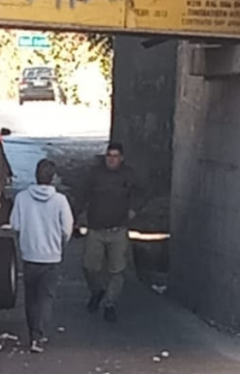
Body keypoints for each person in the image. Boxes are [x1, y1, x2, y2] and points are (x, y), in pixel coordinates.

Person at [9, 159, 74, 353]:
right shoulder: (60, 201)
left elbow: (15, 225)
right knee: (46, 298)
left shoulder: (22, 198)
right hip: (52, 257)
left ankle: (32, 333)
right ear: (53, 178)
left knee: (31, 298)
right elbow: (67, 227)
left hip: (30, 256)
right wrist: (61, 244)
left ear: (35, 176)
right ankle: (39, 335)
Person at [76, 142, 145, 323]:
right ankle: (97, 291)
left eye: (115, 156)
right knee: (89, 266)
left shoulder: (129, 175)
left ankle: (110, 304)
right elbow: (82, 194)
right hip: (96, 229)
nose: (111, 160)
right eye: (109, 156)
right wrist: (77, 217)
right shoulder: (95, 174)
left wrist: (134, 209)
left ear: (121, 158)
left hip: (118, 230)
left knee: (117, 270)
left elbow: (142, 192)